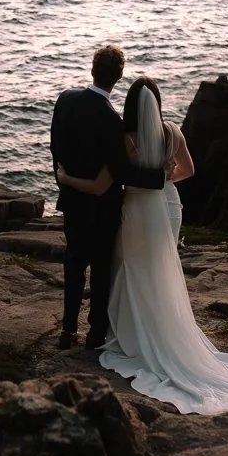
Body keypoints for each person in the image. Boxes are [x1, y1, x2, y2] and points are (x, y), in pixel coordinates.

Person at [56, 77, 228, 425]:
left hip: (138, 210)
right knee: (163, 269)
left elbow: (120, 179)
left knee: (133, 269)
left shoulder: (127, 139)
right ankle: (165, 326)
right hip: (169, 206)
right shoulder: (173, 131)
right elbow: (190, 170)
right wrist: (166, 180)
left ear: (132, 107)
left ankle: (131, 332)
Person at [48, 46, 167, 351]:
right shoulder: (112, 122)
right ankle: (95, 335)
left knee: (73, 265)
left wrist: (64, 183)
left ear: (92, 69)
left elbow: (55, 148)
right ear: (118, 77)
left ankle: (67, 330)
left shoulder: (66, 99)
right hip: (103, 209)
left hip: (72, 203)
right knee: (101, 271)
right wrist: (159, 176)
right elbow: (122, 172)